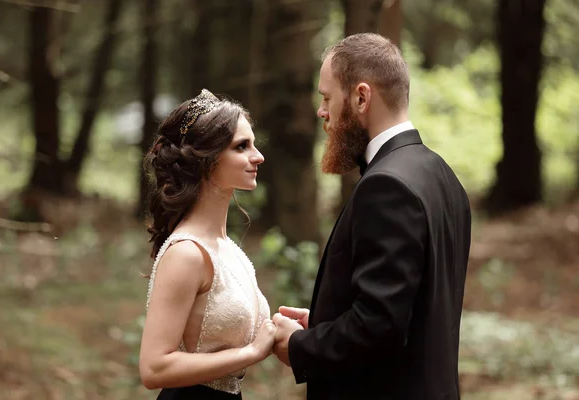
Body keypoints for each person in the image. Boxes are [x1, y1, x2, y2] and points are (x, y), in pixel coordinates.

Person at [272, 33, 472, 399]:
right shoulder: (442, 175)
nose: (321, 112)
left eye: (327, 98)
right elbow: (413, 307)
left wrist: (300, 346)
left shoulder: (387, 186)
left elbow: (379, 326)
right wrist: (322, 322)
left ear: (362, 97)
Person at [139, 89, 276, 400]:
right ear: (207, 159)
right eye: (242, 147)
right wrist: (252, 352)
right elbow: (153, 368)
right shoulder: (187, 252)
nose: (258, 156)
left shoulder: (228, 249)